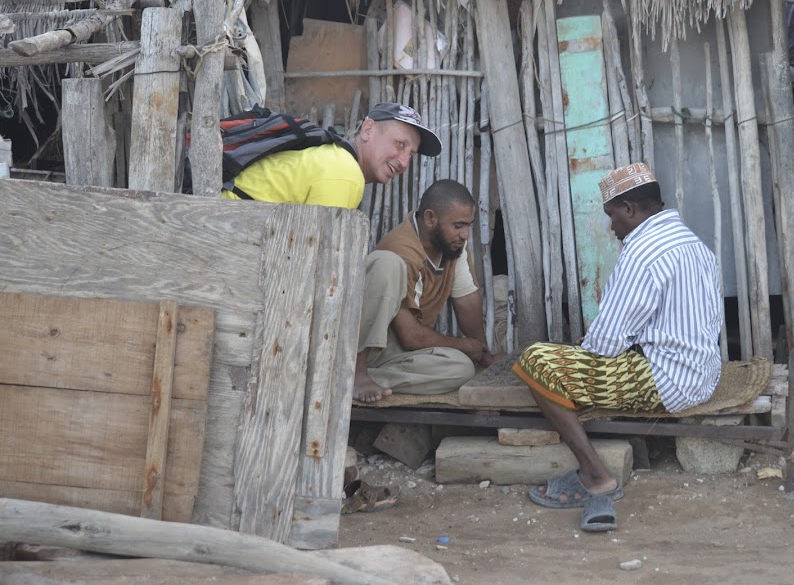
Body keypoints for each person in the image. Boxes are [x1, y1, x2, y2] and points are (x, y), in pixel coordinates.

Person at [511, 162, 723, 532]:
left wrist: (590, 344)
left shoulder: (642, 250)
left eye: (612, 216)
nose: (612, 228)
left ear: (629, 210)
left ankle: (595, 476)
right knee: (572, 356)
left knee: (536, 360)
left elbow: (606, 346)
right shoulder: (691, 242)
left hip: (667, 380)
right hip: (702, 372)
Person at [353, 179, 502, 402]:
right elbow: (410, 337)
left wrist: (483, 355)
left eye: (468, 226)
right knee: (387, 263)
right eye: (458, 225)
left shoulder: (452, 247)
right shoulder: (401, 249)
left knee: (460, 369)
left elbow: (467, 299)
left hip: (400, 356)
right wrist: (463, 345)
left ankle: (371, 378)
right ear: (431, 218)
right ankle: (355, 372)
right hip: (373, 348)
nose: (465, 235)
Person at [222, 102, 441, 208]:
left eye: (411, 154)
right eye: (399, 144)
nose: (403, 162)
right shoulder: (345, 175)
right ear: (368, 130)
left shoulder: (334, 157)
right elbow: (315, 255)